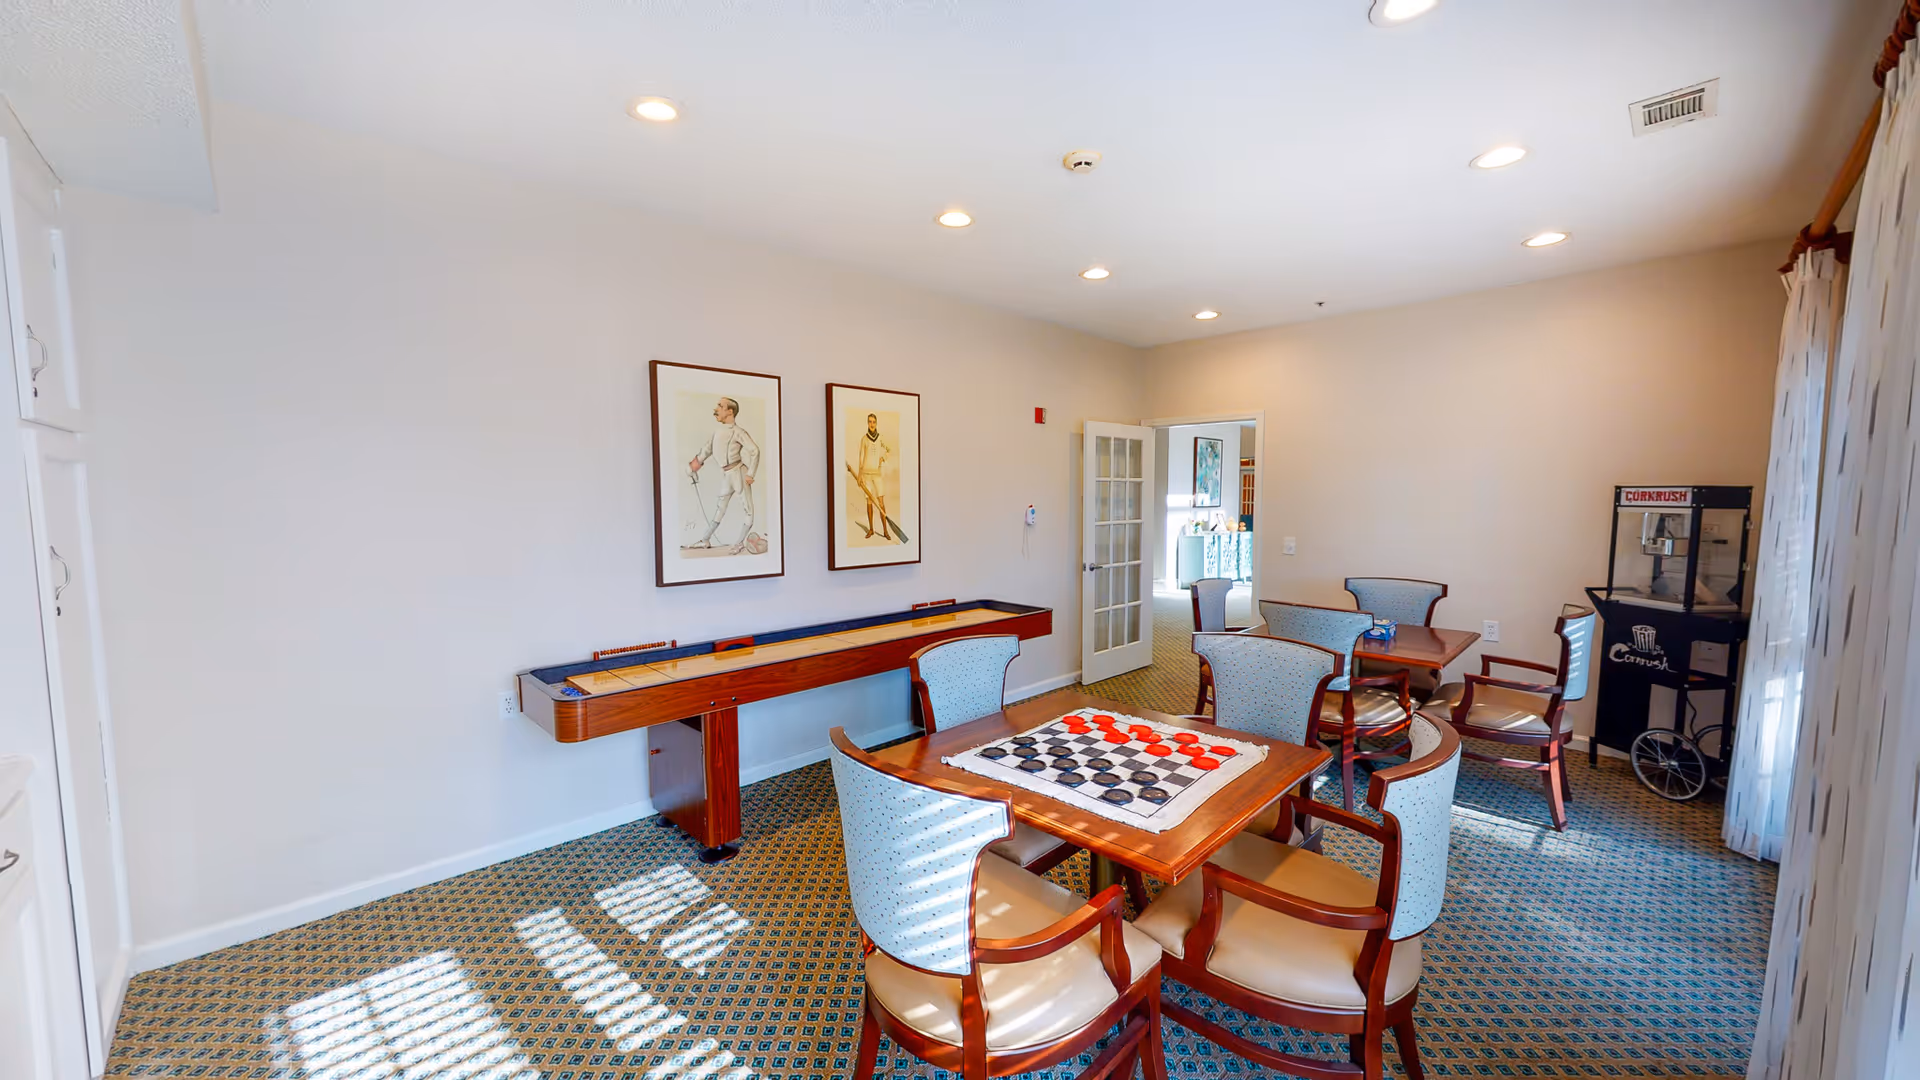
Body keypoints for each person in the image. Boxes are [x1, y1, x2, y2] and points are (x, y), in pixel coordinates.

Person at [687, 396, 761, 553]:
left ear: (730, 411)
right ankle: (705, 539)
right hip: (727, 475)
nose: (716, 409)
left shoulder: (738, 432)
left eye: (720, 406)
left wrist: (750, 474)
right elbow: (706, 450)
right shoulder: (717, 432)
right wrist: (693, 467)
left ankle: (739, 543)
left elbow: (754, 450)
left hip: (739, 474)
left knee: (748, 509)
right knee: (720, 507)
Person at [856, 412, 893, 542]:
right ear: (867, 423)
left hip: (877, 474)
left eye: (874, 422)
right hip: (866, 475)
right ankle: (871, 529)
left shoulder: (880, 437)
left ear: (876, 423)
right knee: (869, 502)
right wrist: (860, 475)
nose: (872, 424)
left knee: (881, 502)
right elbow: (861, 458)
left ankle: (885, 531)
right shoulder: (864, 439)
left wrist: (883, 458)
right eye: (870, 421)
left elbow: (889, 449)